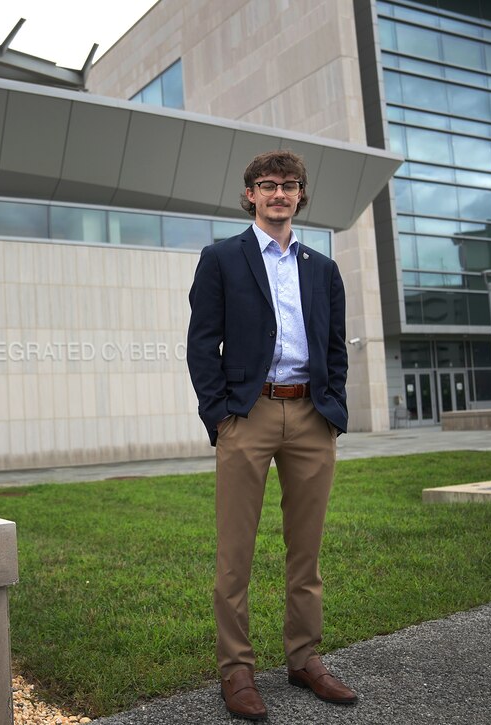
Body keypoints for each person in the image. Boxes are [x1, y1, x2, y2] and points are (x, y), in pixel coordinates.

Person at [186, 150, 356, 720]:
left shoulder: (322, 267)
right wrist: (220, 416)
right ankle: (236, 670)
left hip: (311, 416)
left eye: (289, 185)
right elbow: (201, 343)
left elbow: (334, 346)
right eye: (268, 185)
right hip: (248, 414)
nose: (279, 193)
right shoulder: (221, 259)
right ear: (251, 195)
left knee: (305, 553)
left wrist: (333, 407)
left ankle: (305, 658)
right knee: (236, 556)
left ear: (301, 195)